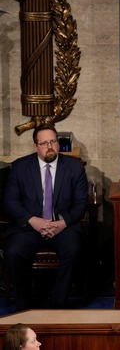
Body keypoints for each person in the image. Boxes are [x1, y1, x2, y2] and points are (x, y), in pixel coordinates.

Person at [3, 124, 88, 311]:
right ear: (36, 146)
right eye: (44, 143)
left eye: (53, 141)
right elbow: (10, 201)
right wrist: (33, 220)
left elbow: (81, 203)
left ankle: (57, 303)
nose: (50, 146)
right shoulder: (20, 167)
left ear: (58, 143)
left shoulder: (75, 168)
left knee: (74, 250)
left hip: (62, 226)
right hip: (30, 226)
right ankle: (24, 305)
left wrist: (63, 223)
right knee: (13, 252)